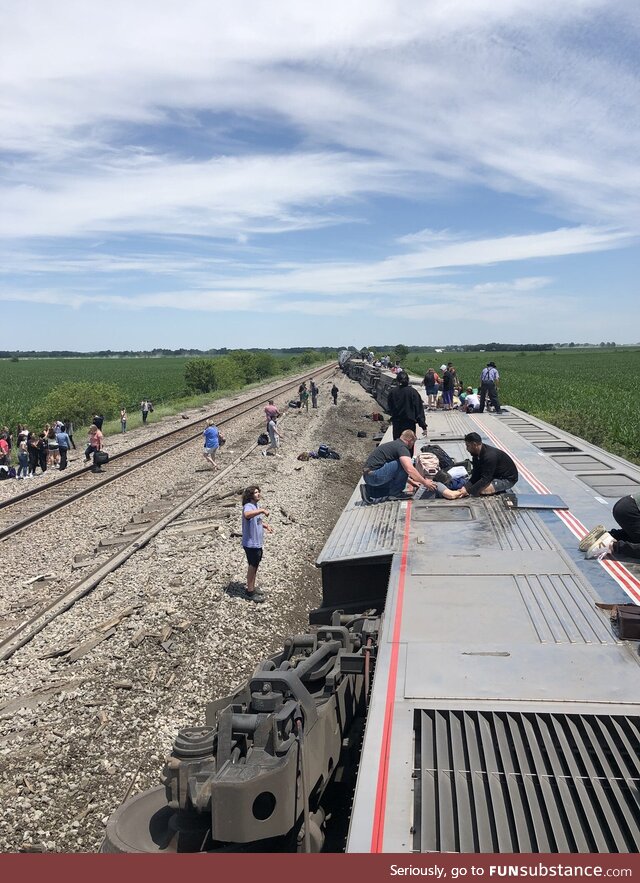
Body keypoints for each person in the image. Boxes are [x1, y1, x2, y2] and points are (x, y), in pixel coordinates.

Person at [360, 429, 439, 502]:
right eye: (413, 442)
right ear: (410, 440)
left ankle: (369, 490)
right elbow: (409, 469)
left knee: (393, 483)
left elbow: (394, 471)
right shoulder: (402, 447)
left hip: (369, 476)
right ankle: (396, 494)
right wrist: (425, 482)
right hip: (375, 476)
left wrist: (411, 482)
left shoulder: (394, 444)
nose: (413, 445)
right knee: (403, 464)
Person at [454, 432, 518, 497]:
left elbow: (485, 479)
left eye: (468, 446)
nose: (467, 449)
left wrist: (468, 492)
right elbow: (476, 475)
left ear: (474, 444)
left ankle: (501, 489)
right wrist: (465, 487)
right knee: (474, 487)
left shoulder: (489, 457)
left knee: (482, 490)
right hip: (493, 475)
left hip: (507, 479)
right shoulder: (476, 454)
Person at [580, 493, 640, 560]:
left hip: (626, 503)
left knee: (636, 537)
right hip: (632, 510)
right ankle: (611, 545)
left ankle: (608, 535)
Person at [241, 485, 273, 602]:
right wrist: (261, 510)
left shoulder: (255, 505)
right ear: (250, 496)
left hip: (257, 543)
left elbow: (256, 520)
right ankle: (249, 592)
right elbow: (247, 515)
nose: (258, 494)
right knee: (252, 566)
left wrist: (265, 525)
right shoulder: (248, 506)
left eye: (258, 492)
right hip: (250, 543)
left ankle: (252, 587)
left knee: (255, 566)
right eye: (255, 492)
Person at [387, 371, 427, 441]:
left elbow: (389, 408)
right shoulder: (413, 392)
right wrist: (423, 426)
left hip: (397, 423)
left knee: (398, 445)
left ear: (397, 380)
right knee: (409, 445)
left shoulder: (392, 392)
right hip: (409, 423)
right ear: (408, 380)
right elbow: (419, 410)